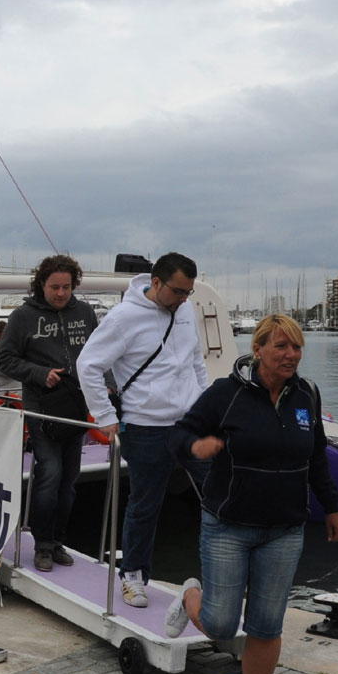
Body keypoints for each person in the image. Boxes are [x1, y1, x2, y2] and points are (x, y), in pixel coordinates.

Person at [165, 314, 338, 674]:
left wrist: (332, 506)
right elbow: (180, 433)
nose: (291, 355)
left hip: (285, 529)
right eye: (281, 346)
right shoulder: (226, 394)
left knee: (266, 625)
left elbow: (317, 457)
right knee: (222, 625)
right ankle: (190, 596)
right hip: (228, 526)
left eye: (296, 347)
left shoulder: (306, 395)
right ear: (258, 348)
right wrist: (195, 446)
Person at [77, 252, 210, 608]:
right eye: (178, 291)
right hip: (146, 425)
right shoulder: (124, 318)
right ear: (155, 282)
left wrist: (204, 406)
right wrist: (105, 416)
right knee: (145, 505)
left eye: (188, 292)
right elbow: (88, 364)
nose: (183, 299)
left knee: (218, 493)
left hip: (189, 424)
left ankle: (221, 573)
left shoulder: (185, 311)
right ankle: (133, 576)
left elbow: (195, 362)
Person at [0, 254, 97, 572]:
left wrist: (106, 387)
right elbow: (4, 359)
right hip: (42, 409)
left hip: (76, 409)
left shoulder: (85, 313)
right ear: (42, 284)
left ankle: (57, 542)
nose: (61, 293)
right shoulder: (23, 316)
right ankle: (42, 545)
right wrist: (40, 374)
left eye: (67, 287)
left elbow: (99, 354)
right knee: (50, 474)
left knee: (69, 480)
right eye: (55, 287)